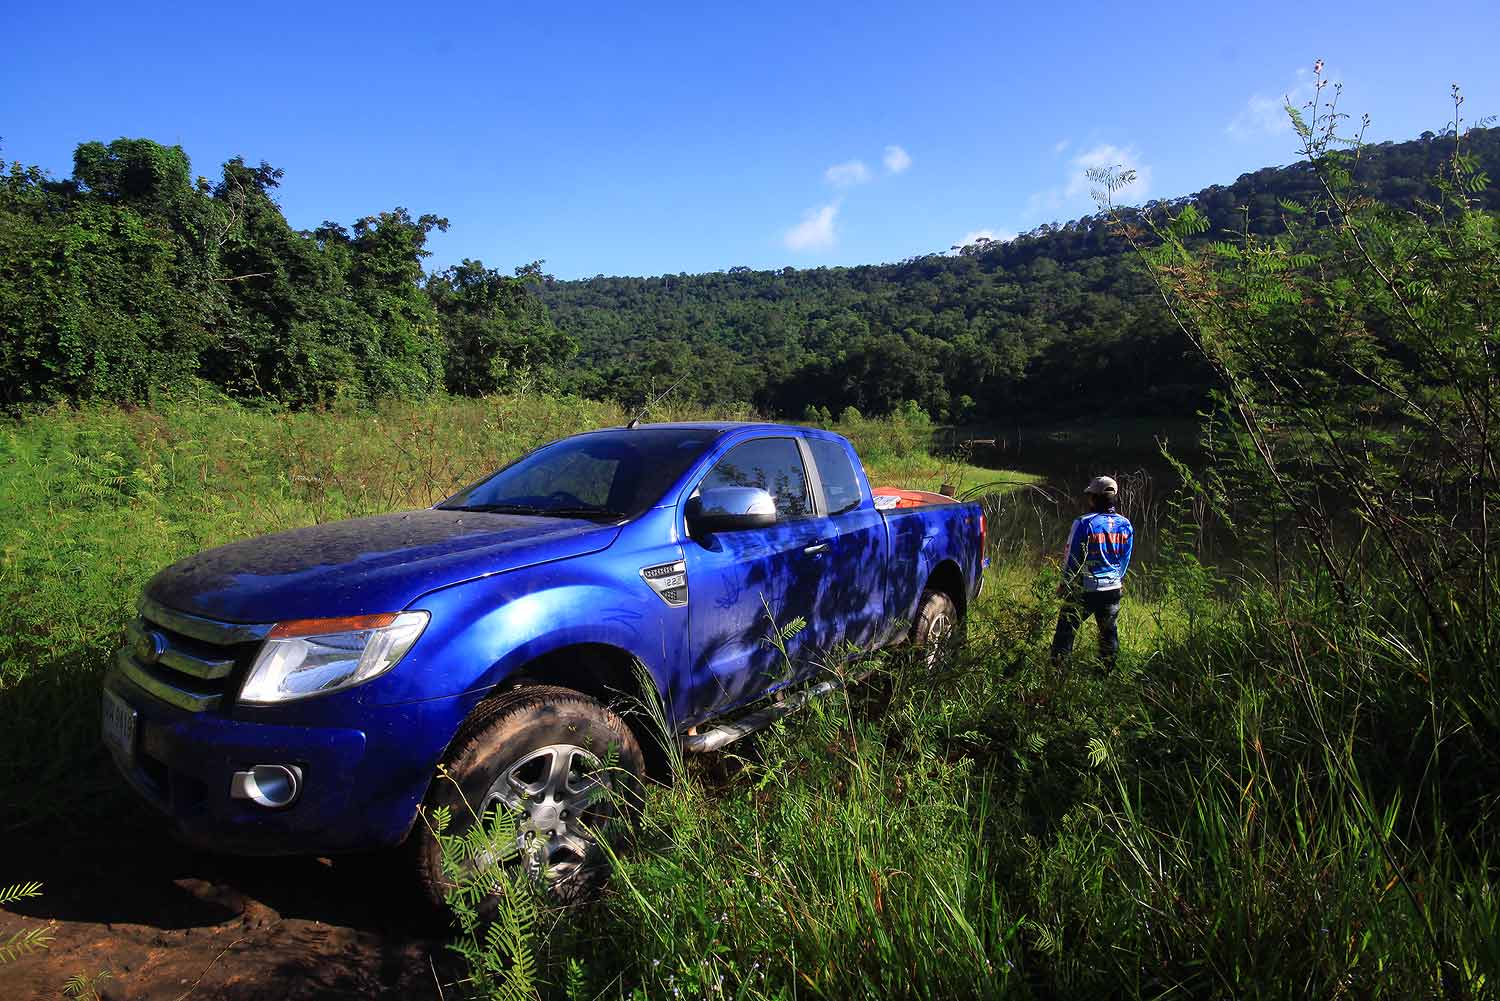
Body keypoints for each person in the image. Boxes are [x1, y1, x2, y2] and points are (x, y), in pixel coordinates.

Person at [1051, 475, 1133, 668]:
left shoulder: (1084, 523)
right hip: (1113, 587)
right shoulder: (1125, 524)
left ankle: (1058, 672)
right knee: (1108, 634)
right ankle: (1105, 674)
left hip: (1084, 588)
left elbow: (1071, 556)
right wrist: (1115, 579)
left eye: (1089, 495)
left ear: (1094, 498)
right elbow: (1124, 559)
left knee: (1066, 631)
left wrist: (1065, 583)